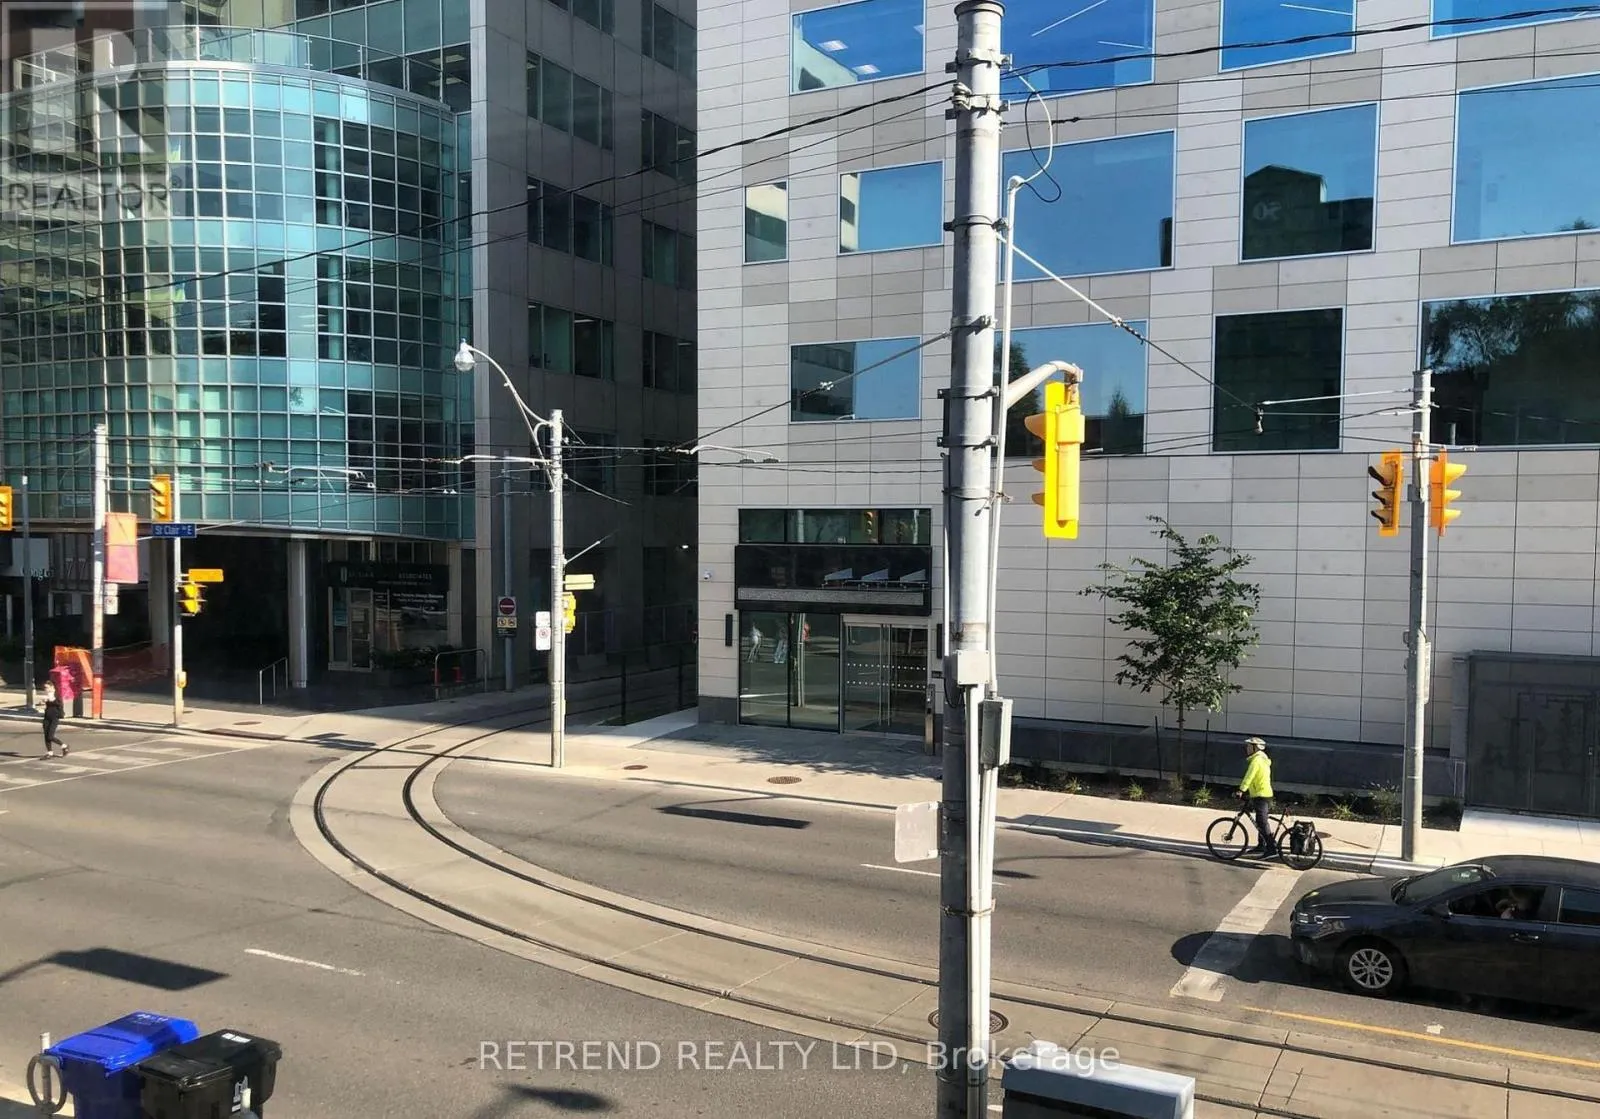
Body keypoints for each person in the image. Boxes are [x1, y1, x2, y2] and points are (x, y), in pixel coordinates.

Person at [1236, 736, 1273, 856]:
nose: (1247, 748)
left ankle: (1271, 848)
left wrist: (1241, 790)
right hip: (1262, 794)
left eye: (1249, 746)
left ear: (1255, 748)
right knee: (1260, 821)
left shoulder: (1256, 760)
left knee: (1262, 822)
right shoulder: (1262, 759)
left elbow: (1249, 776)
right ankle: (1261, 846)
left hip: (1261, 795)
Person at [39, 678, 68, 758]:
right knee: (46, 735)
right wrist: (42, 702)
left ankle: (64, 746)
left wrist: (51, 700)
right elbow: (45, 705)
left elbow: (59, 704)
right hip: (47, 717)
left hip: (54, 718)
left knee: (50, 736)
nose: (45, 689)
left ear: (52, 687)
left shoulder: (57, 695)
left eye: (47, 687)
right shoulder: (46, 696)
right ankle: (49, 752)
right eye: (45, 688)